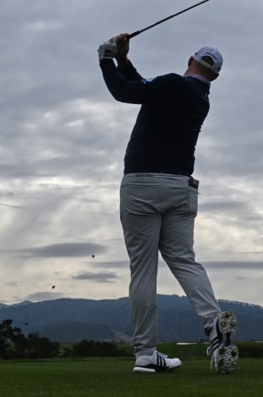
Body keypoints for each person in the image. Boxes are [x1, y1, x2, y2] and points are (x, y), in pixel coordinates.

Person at [98, 33, 238, 374]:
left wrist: (105, 58)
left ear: (190, 60)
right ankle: (213, 323)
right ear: (215, 76)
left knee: (143, 268)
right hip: (180, 187)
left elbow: (127, 92)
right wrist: (124, 61)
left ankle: (146, 353)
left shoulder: (174, 83)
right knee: (184, 260)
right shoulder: (199, 97)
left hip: (142, 183)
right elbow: (145, 86)